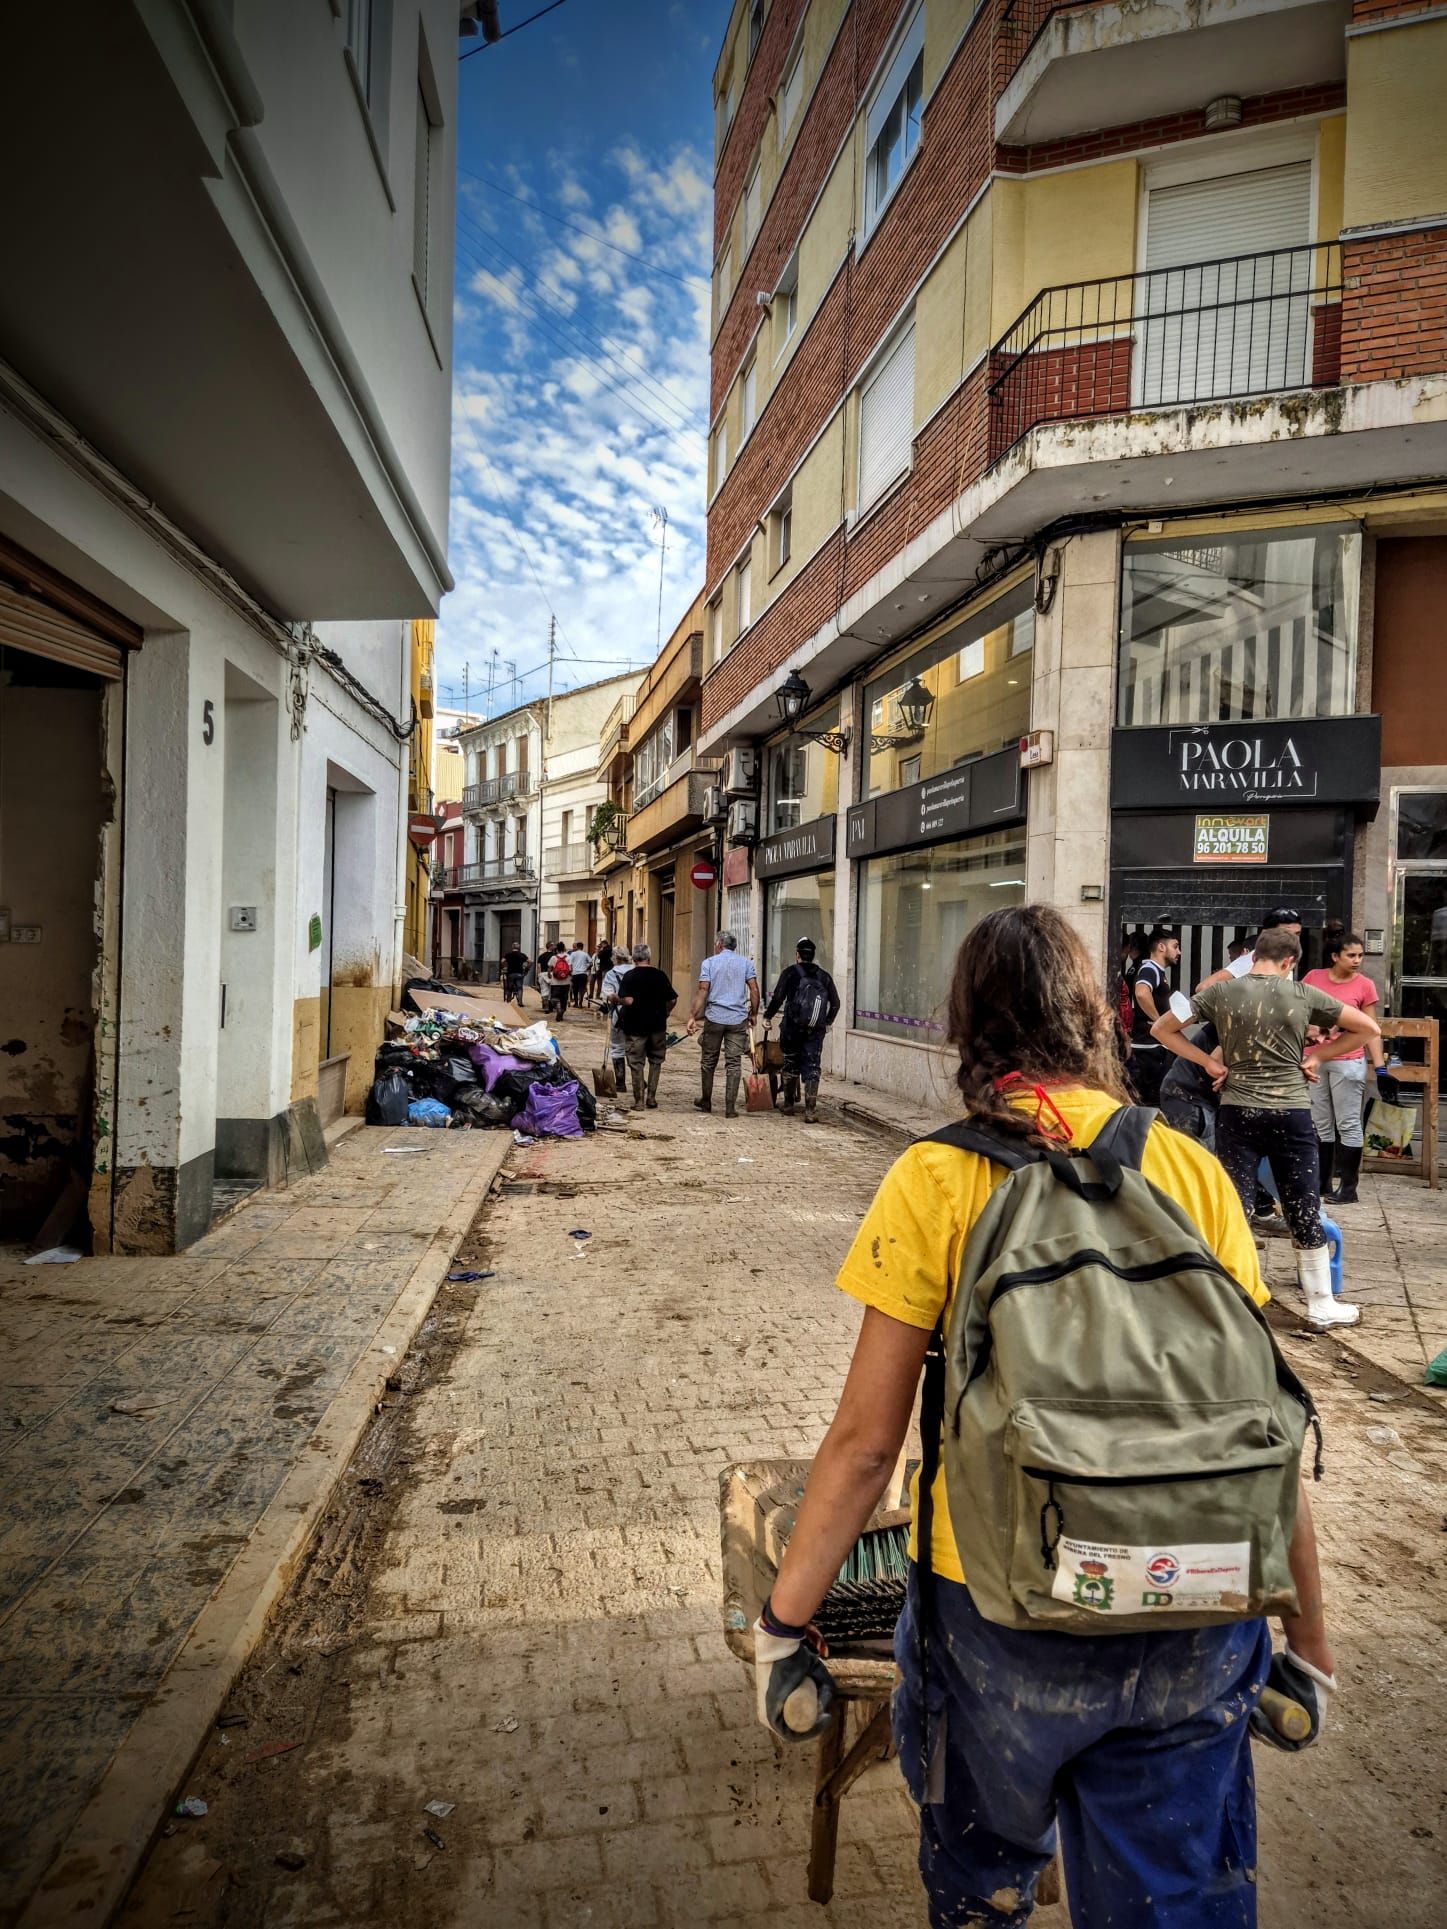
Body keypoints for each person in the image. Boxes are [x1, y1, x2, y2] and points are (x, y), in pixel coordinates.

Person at [755, 906, 1339, 1929]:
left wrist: (782, 1623)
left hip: (994, 1608)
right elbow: (1262, 1424)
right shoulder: (1190, 1172)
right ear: (1088, 1018)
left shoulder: (936, 1179)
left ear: (967, 1023)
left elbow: (862, 1447)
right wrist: (1307, 1639)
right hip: (1197, 1600)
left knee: (986, 1894)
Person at [1153, 926, 1381, 1329]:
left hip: (1237, 1111)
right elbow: (1368, 1029)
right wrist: (1318, 1058)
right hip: (1290, 1113)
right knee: (1302, 1203)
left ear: (1254, 954)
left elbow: (1162, 1029)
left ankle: (1229, 1299)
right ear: (1290, 962)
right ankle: (1320, 1304)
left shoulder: (1221, 993)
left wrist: (1209, 1062)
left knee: (1236, 1205)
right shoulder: (1304, 995)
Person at [1303, 930, 1397, 1204]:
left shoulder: (1364, 985)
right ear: (1335, 956)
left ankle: (1348, 1187)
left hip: (1348, 1061)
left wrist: (1380, 1069)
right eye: (1351, 955)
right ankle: (1321, 1183)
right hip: (1314, 1058)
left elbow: (1372, 1030)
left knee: (1348, 1123)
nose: (1357, 960)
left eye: (1360, 955)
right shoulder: (1313, 978)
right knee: (1320, 1123)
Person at [762, 938, 840, 1123]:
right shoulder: (824, 976)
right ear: (813, 956)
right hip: (815, 1030)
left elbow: (778, 997)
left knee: (790, 1062)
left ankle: (788, 1105)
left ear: (797, 955)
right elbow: (836, 1004)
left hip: (792, 1027)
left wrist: (767, 1016)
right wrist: (827, 1022)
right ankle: (810, 1111)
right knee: (813, 1066)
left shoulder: (790, 973)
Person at [685, 930, 759, 1118]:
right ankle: (730, 1107)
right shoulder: (745, 963)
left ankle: (706, 1101)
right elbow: (754, 989)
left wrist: (693, 1015)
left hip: (715, 1018)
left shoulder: (709, 963)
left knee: (708, 1061)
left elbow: (703, 990)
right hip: (737, 1020)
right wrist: (754, 1014)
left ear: (719, 944)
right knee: (734, 1063)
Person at [617, 942, 677, 1110]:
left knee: (636, 1062)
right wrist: (666, 1013)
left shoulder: (629, 976)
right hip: (657, 1025)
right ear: (649, 957)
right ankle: (651, 1097)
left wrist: (616, 999)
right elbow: (672, 999)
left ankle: (639, 1101)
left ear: (634, 958)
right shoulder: (660, 975)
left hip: (635, 1025)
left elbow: (627, 1000)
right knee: (656, 1061)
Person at [1127, 925, 1179, 1106]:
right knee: (1151, 1102)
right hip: (1148, 1049)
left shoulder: (1156, 971)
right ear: (1161, 947)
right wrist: (1159, 1022)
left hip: (1150, 1047)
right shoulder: (1151, 969)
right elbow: (1141, 992)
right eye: (1175, 946)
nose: (1178, 952)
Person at [1196, 907, 1302, 992]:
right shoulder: (1251, 961)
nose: (1293, 940)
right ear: (1266, 934)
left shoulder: (1288, 961)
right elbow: (1204, 987)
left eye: (1297, 934)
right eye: (1286, 934)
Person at [598, 945, 633, 1090]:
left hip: (618, 1015)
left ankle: (620, 1082)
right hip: (637, 1014)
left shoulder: (612, 974)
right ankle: (638, 1080)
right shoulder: (636, 970)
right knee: (634, 1047)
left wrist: (614, 998)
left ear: (615, 958)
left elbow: (608, 994)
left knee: (617, 1047)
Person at [545, 944, 573, 1022]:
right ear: (564, 949)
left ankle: (558, 1008)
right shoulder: (568, 957)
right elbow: (570, 970)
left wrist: (549, 975)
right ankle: (561, 1012)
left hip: (555, 982)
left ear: (556, 949)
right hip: (566, 982)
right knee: (564, 999)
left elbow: (549, 968)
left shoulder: (553, 957)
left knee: (554, 998)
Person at [501, 941, 529, 1005]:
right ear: (518, 947)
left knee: (509, 988)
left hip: (510, 973)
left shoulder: (508, 954)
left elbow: (502, 961)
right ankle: (520, 1002)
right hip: (519, 973)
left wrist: (504, 967)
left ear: (512, 947)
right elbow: (530, 961)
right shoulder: (522, 955)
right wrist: (527, 969)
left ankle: (508, 1001)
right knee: (519, 988)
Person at [568, 941, 592, 1008]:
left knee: (575, 989)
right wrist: (586, 968)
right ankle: (580, 1003)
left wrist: (571, 971)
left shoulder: (573, 954)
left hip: (575, 974)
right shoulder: (585, 954)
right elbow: (591, 962)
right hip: (583, 974)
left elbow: (570, 964)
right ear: (582, 947)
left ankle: (576, 1003)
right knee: (582, 988)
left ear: (577, 947)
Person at [591, 936, 614, 1004]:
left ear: (604, 944)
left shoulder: (605, 950)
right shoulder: (610, 949)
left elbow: (599, 956)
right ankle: (601, 995)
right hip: (608, 967)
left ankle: (604, 995)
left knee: (604, 981)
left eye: (602, 945)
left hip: (604, 967)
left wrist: (600, 950)